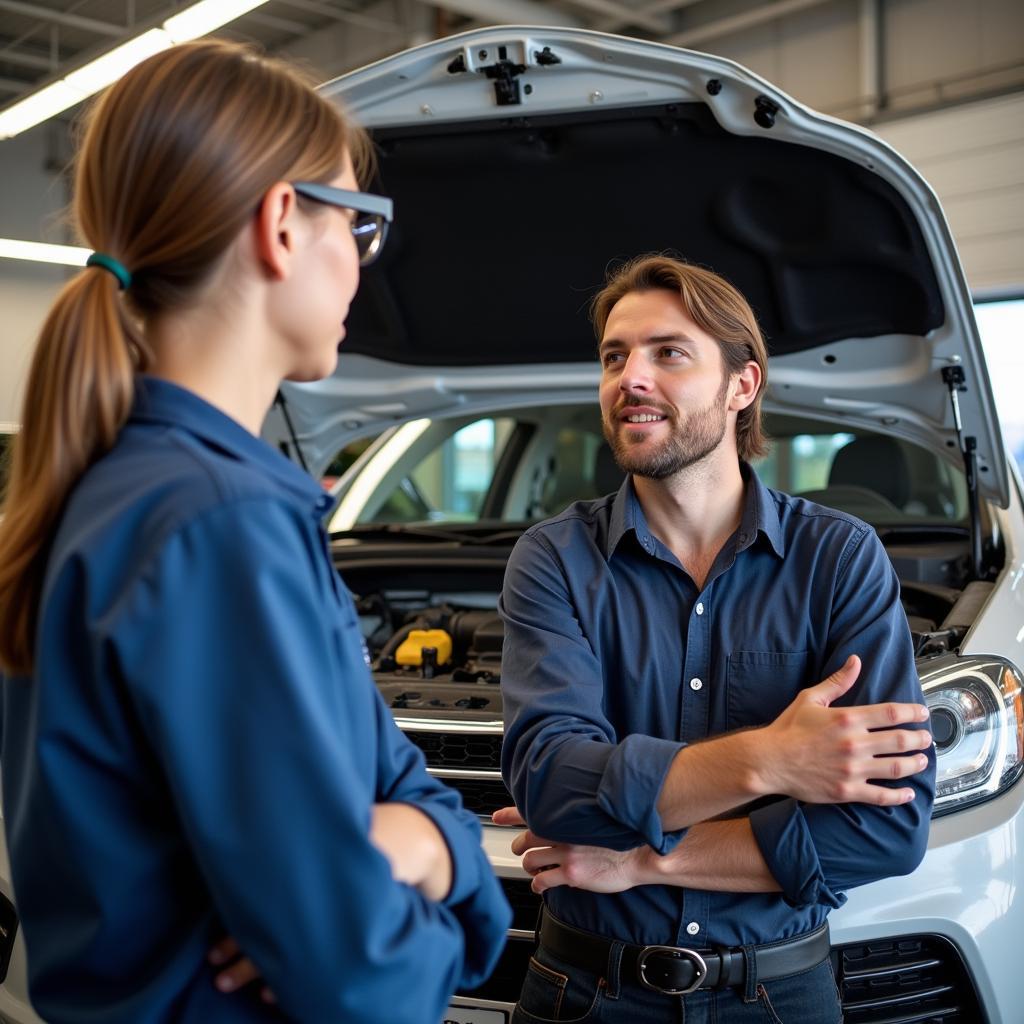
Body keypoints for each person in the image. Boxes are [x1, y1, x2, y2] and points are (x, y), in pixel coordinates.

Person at [0, 39, 509, 1023]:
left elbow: (386, 789)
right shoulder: (220, 525)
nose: (362, 266)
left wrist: (419, 836)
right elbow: (367, 975)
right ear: (283, 221)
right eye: (357, 225)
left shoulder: (110, 489)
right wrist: (453, 869)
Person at [495, 254, 935, 1023]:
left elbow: (885, 829)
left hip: (778, 994)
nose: (630, 376)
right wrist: (771, 760)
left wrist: (638, 858)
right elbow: (553, 787)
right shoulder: (553, 558)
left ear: (743, 385)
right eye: (614, 356)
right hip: (584, 992)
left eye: (668, 353)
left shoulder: (838, 558)